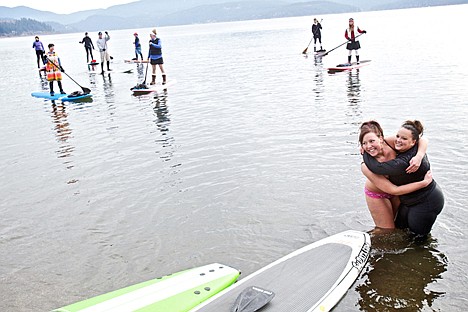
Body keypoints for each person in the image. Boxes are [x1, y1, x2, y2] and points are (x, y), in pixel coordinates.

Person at [362, 120, 445, 237]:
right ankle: (367, 242)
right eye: (364, 143)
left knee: (401, 232)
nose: (369, 146)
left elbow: (422, 139)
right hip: (380, 195)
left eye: (371, 141)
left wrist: (419, 156)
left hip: (400, 195)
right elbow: (393, 189)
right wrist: (424, 183)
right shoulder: (366, 166)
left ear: (381, 138)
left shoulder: (390, 143)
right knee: (387, 232)